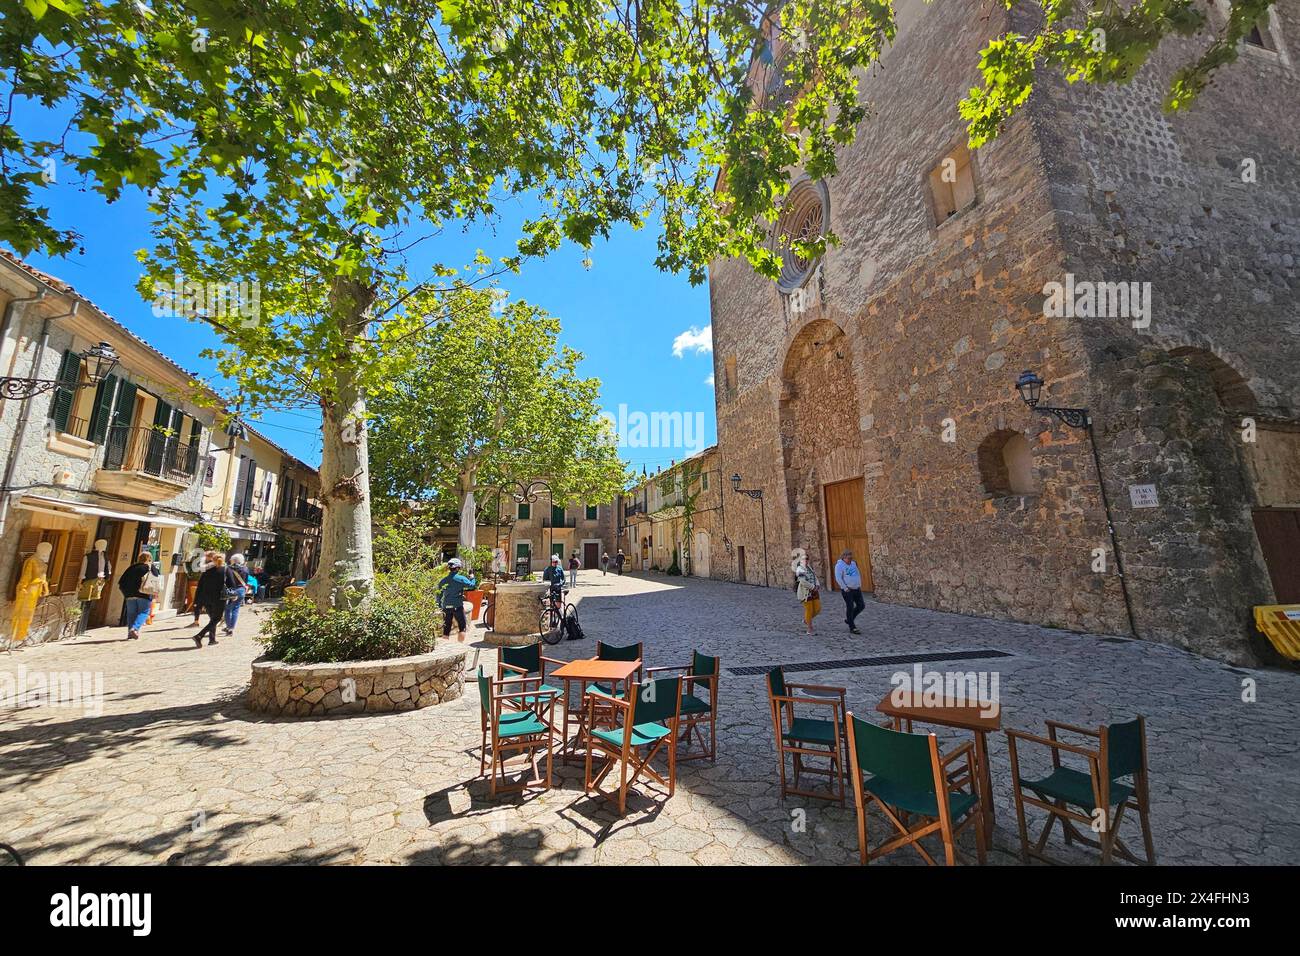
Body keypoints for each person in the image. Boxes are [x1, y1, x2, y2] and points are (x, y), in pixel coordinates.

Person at [117, 551, 157, 641]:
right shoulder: (150, 568)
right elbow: (156, 580)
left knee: (131, 614)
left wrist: (126, 593)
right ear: (150, 558)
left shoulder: (131, 568)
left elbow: (121, 582)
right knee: (144, 612)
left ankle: (130, 633)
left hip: (130, 595)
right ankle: (134, 629)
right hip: (144, 594)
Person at [436, 558, 477, 642]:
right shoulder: (460, 578)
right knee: (462, 626)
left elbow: (438, 594)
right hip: (457, 606)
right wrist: (472, 577)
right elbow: (472, 585)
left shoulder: (443, 581)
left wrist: (440, 605)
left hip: (446, 606)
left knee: (447, 628)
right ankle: (460, 644)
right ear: (458, 568)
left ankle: (445, 646)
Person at [192, 554, 228, 647]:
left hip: (206, 599)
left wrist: (197, 601)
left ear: (212, 560)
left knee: (213, 619)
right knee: (216, 619)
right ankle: (199, 636)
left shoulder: (206, 571)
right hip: (219, 599)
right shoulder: (226, 570)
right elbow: (231, 583)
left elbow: (199, 587)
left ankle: (212, 639)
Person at [834, 549, 866, 635]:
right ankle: (852, 627)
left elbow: (857, 573)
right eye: (848, 558)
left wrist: (859, 583)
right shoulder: (839, 566)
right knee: (850, 606)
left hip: (856, 588)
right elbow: (838, 578)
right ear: (844, 557)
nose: (850, 560)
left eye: (851, 558)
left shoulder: (853, 563)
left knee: (861, 605)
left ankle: (849, 619)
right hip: (848, 590)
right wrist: (845, 588)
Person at [793, 554, 822, 636]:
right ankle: (810, 628)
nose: (805, 560)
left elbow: (814, 577)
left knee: (817, 609)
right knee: (809, 610)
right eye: (803, 559)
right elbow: (802, 581)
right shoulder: (799, 569)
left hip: (814, 591)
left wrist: (817, 584)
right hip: (805, 592)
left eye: (807, 559)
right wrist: (813, 587)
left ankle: (806, 619)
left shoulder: (809, 567)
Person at [223, 553, 250, 635]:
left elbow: (226, 580)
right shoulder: (245, 569)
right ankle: (231, 628)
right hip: (241, 590)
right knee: (236, 609)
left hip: (231, 590)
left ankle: (228, 627)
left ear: (233, 560)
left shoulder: (228, 568)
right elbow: (246, 580)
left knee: (227, 609)